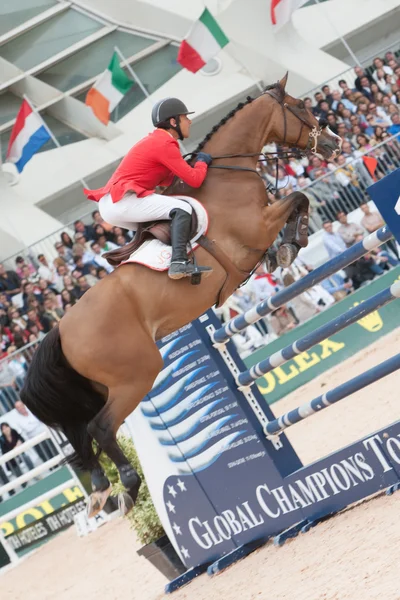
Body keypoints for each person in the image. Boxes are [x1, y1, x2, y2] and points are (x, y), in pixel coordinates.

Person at [84, 98, 213, 280]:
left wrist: (191, 167)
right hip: (122, 201)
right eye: (185, 117)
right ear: (173, 122)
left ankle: (159, 263)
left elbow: (171, 181)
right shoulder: (165, 143)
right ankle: (178, 263)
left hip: (112, 205)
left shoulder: (156, 141)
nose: (189, 121)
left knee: (162, 225)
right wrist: (201, 163)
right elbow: (195, 180)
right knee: (182, 209)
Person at [13, 400, 57, 464]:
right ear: (17, 409)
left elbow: (41, 420)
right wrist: (36, 424)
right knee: (46, 458)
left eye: (21, 405)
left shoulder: (32, 411)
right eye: (18, 407)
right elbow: (28, 429)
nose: (21, 408)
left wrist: (32, 424)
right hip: (37, 442)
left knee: (55, 451)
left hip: (47, 436)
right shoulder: (18, 421)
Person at [0, 422, 35, 488]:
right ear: (2, 431)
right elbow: (4, 451)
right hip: (11, 460)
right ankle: (24, 484)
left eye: (6, 427)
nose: (6, 429)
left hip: (20, 454)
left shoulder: (13, 432)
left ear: (9, 427)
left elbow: (21, 439)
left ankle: (35, 475)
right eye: (3, 429)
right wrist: (14, 448)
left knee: (26, 458)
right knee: (18, 473)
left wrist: (19, 443)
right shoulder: (2, 439)